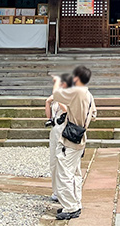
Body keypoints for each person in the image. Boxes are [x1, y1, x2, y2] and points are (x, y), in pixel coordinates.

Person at [51, 65, 96, 221]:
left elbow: (56, 95)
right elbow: (94, 114)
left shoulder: (77, 92)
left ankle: (71, 207)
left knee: (64, 173)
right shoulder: (89, 94)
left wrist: (57, 81)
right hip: (80, 137)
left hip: (70, 139)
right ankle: (76, 203)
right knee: (75, 172)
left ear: (76, 77)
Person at [46, 72, 73, 203]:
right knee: (53, 162)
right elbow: (49, 114)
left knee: (63, 161)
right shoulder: (57, 98)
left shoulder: (69, 97)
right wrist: (48, 102)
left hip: (64, 130)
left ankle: (65, 191)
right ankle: (56, 190)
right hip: (54, 129)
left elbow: (67, 109)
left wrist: (56, 96)